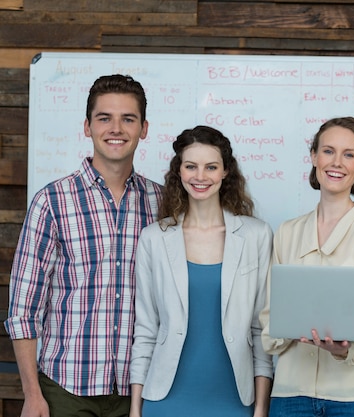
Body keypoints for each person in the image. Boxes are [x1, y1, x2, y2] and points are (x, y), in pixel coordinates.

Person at [4, 74, 162, 417]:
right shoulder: (52, 201)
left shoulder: (161, 202)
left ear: (144, 128)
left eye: (128, 119)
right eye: (104, 118)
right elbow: (23, 309)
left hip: (141, 391)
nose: (116, 128)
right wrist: (32, 395)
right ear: (87, 127)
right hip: (66, 390)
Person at [129, 125, 273, 417]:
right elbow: (145, 331)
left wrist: (261, 408)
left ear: (225, 172)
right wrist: (135, 409)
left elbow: (261, 331)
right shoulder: (153, 238)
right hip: (165, 400)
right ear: (178, 171)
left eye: (211, 167)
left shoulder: (256, 236)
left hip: (234, 399)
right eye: (191, 166)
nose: (200, 176)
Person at [260, 117, 354, 417]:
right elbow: (270, 320)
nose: (336, 162)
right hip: (291, 394)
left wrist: (344, 350)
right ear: (313, 156)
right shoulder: (287, 231)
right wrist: (289, 328)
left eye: (349, 154)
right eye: (328, 151)